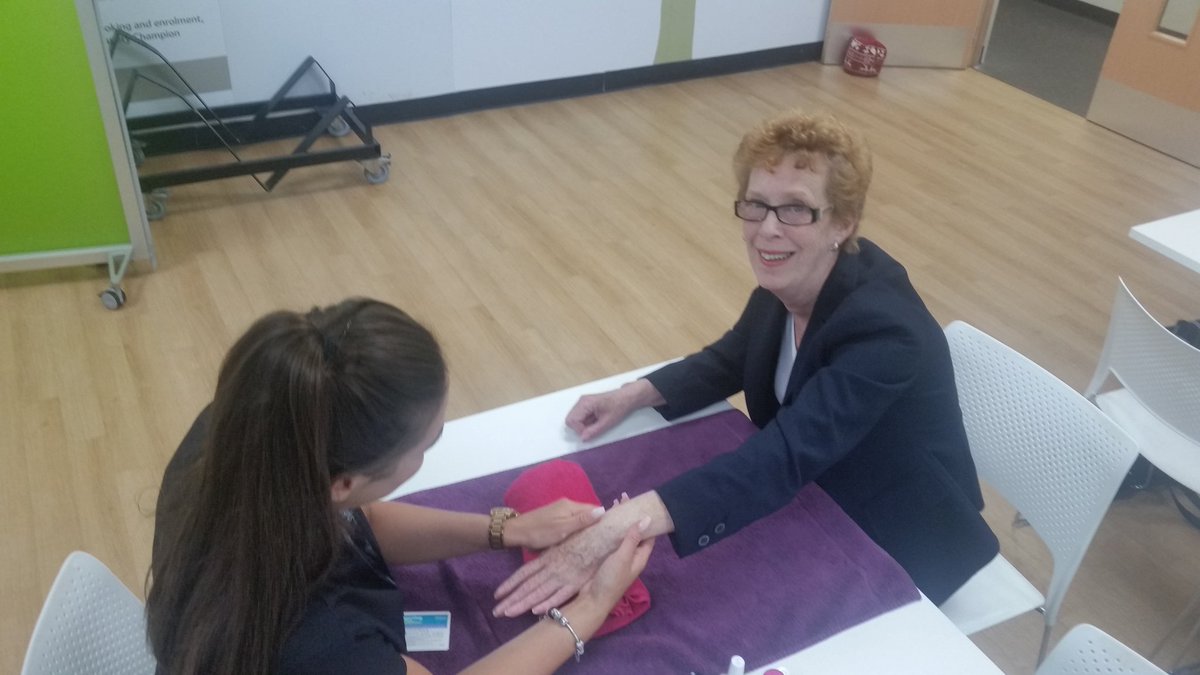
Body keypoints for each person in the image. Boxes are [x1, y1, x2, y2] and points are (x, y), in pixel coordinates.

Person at [492, 110, 998, 617]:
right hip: (816, 497)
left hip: (896, 535)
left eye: (796, 209)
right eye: (756, 205)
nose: (767, 230)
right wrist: (634, 394)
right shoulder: (794, 281)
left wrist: (615, 528)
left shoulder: (884, 328)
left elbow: (784, 455)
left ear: (842, 223)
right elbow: (733, 356)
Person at [146, 298, 654, 675]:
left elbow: (361, 522)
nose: (433, 449)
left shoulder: (248, 431)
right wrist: (591, 605)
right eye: (425, 445)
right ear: (343, 482)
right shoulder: (318, 642)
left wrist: (508, 529)